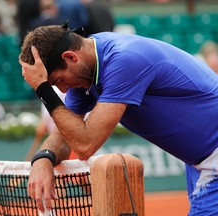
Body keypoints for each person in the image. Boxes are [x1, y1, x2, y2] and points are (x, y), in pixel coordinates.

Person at [19, 22, 218, 215]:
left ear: (70, 57)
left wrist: (44, 90)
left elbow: (85, 144)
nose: (63, 89)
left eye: (59, 81)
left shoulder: (124, 60)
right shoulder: (87, 69)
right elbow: (64, 136)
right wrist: (44, 157)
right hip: (200, 163)